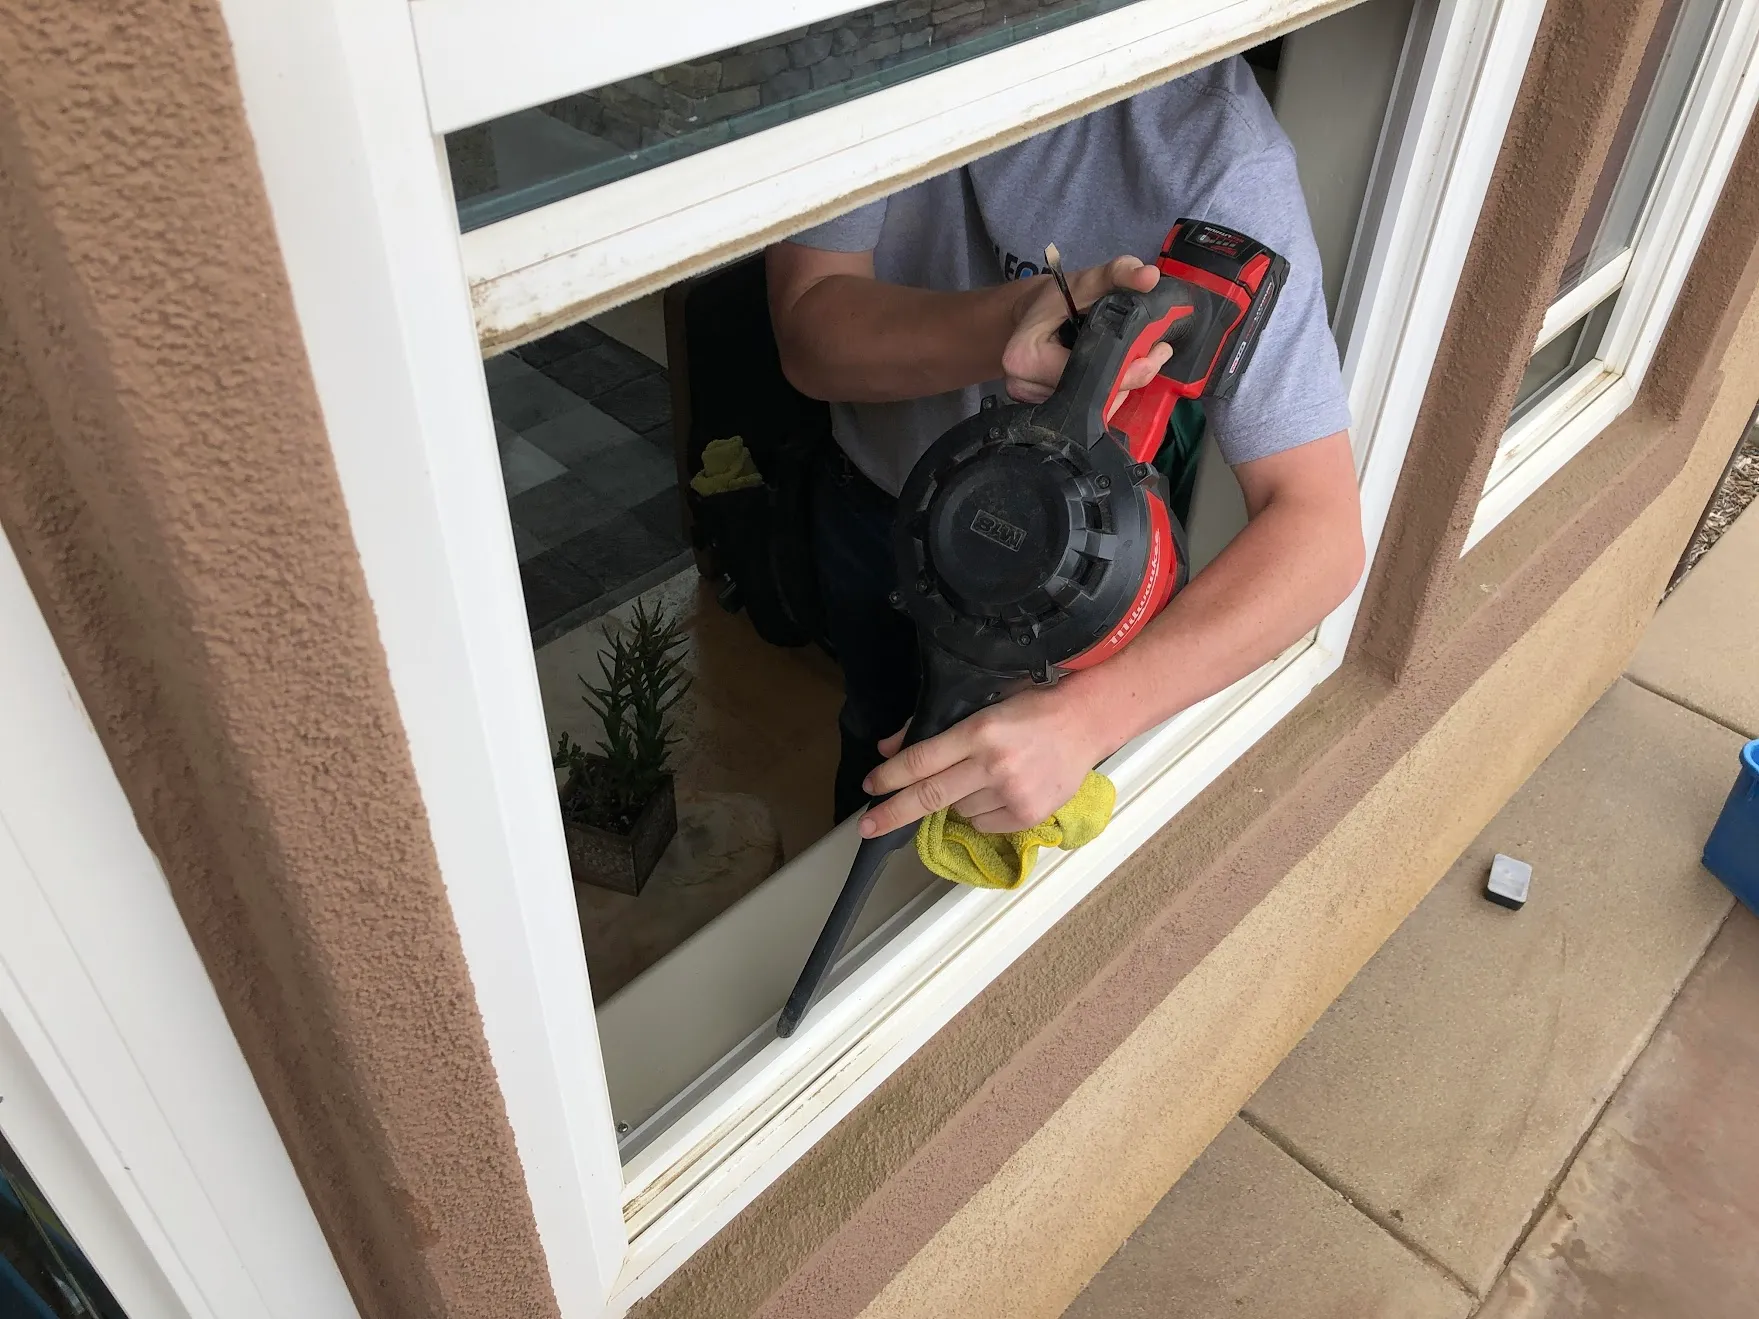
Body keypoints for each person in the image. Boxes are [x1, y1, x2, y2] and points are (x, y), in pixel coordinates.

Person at [767, 54, 1365, 840]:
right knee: (876, 752)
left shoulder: (1218, 156)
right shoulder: (856, 50)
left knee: (1009, 806)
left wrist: (1086, 717)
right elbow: (807, 329)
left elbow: (1319, 531)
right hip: (879, 507)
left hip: (1066, 574)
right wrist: (1011, 318)